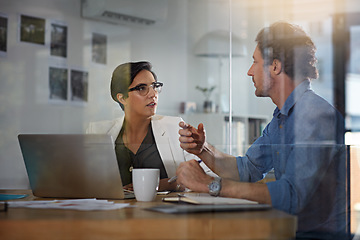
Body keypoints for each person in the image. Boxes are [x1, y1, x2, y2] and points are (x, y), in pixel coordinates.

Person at [176, 22, 348, 239]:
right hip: (290, 231)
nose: (249, 71)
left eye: (255, 62)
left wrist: (210, 185)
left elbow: (293, 195)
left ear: (275, 67)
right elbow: (247, 169)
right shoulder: (283, 117)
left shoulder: (314, 116)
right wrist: (203, 149)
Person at [86, 61, 213, 192]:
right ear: (122, 98)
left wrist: (164, 184)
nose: (153, 94)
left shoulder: (175, 127)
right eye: (142, 88)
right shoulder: (99, 132)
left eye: (154, 86)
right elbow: (83, 180)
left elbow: (208, 177)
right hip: (113, 210)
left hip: (162, 211)